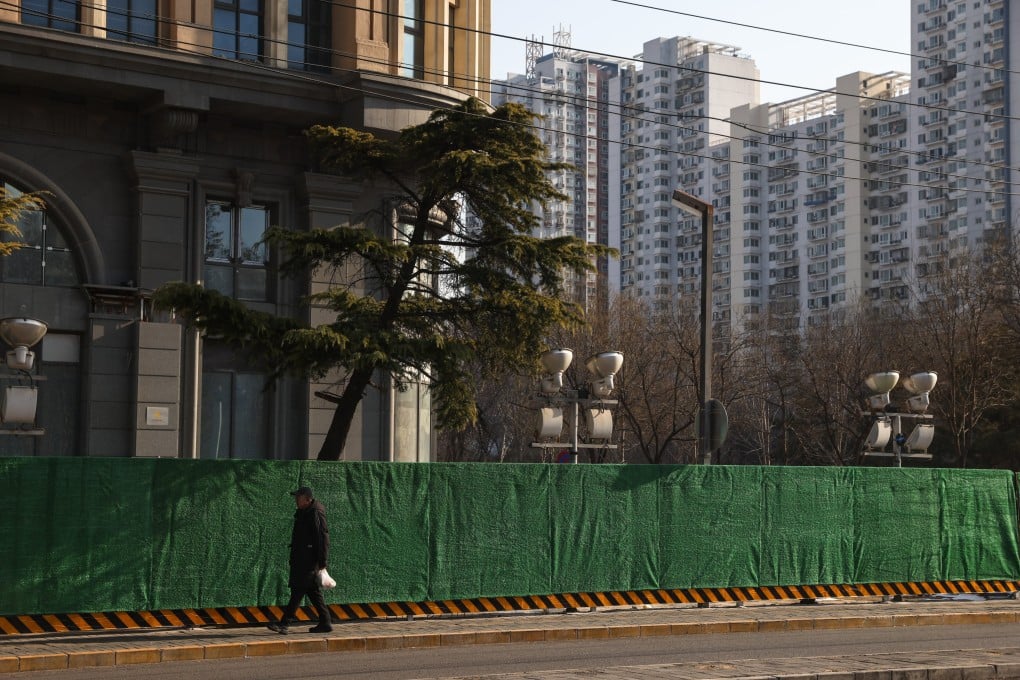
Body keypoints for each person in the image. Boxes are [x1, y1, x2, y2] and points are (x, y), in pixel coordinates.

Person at [267, 486, 333, 634]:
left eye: (299, 497)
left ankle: (284, 623)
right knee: (312, 592)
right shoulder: (304, 512)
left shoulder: (315, 512)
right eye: (296, 497)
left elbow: (322, 537)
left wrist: (322, 562)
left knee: (298, 590)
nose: (296, 500)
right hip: (303, 558)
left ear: (308, 499)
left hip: (309, 560)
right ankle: (325, 622)